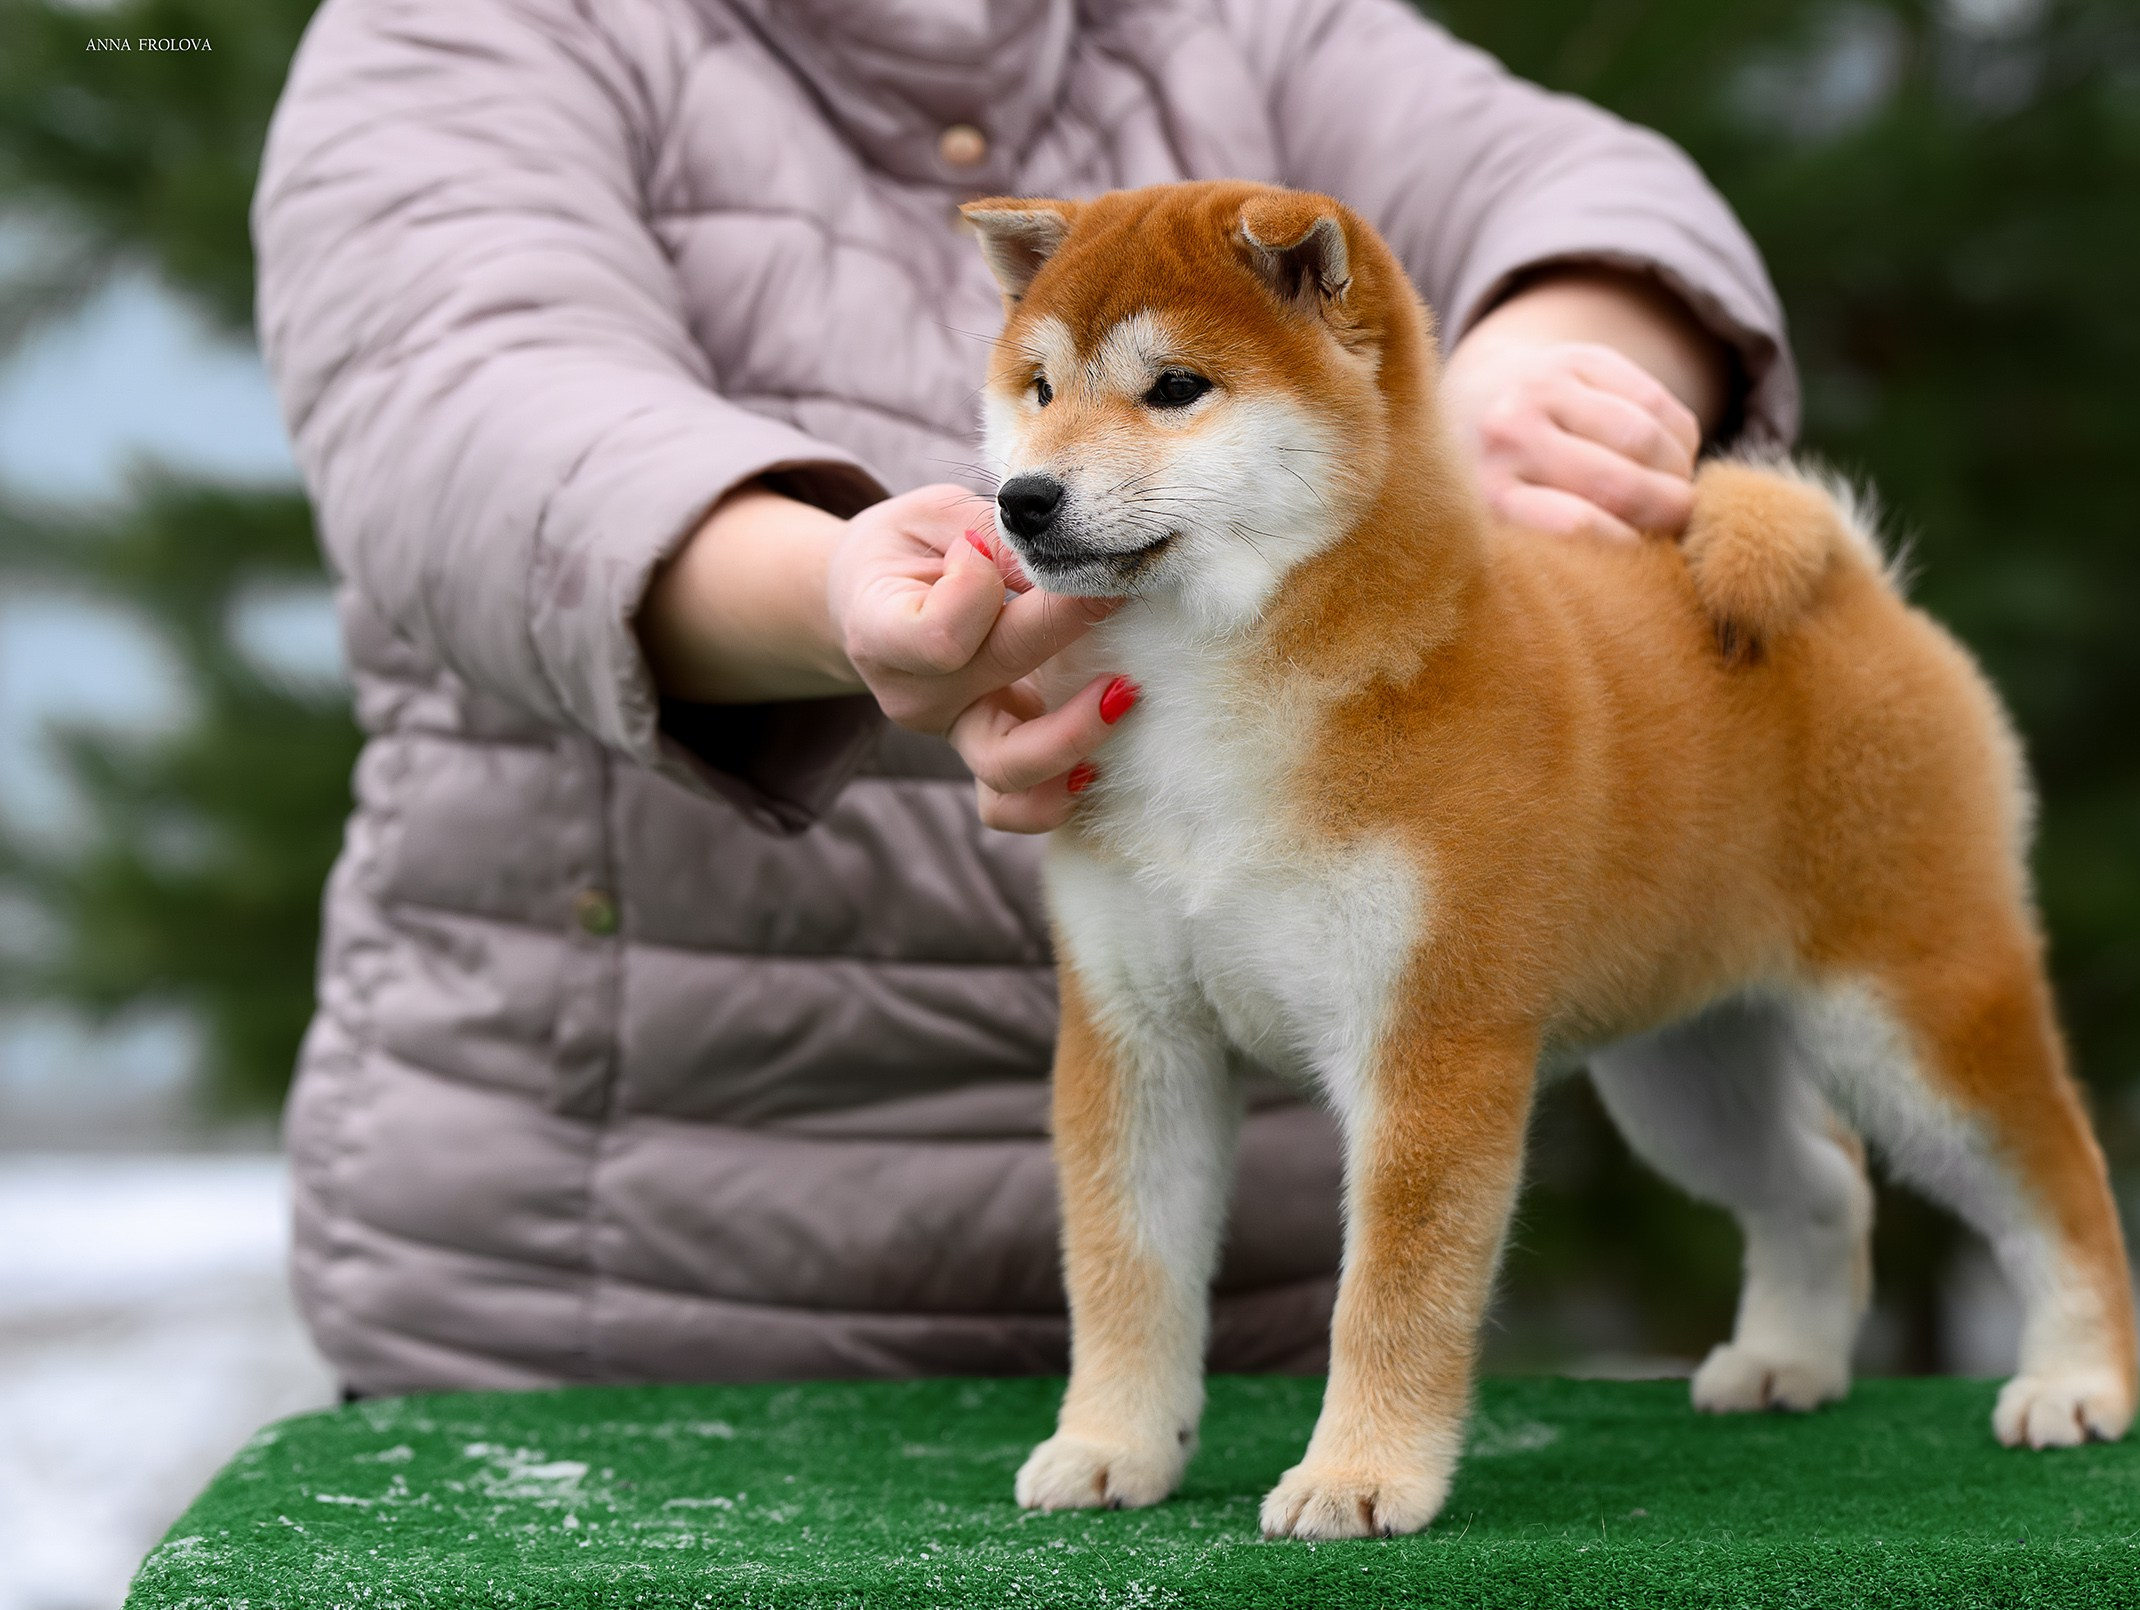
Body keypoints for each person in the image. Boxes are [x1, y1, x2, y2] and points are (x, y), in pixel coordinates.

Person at [253, 0, 1799, 1393]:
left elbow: (1599, 194)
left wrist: (1532, 374)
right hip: (608, 1294)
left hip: (1259, 1322)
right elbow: (466, 412)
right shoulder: (468, 30)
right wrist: (833, 590)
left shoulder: (1229, 28)